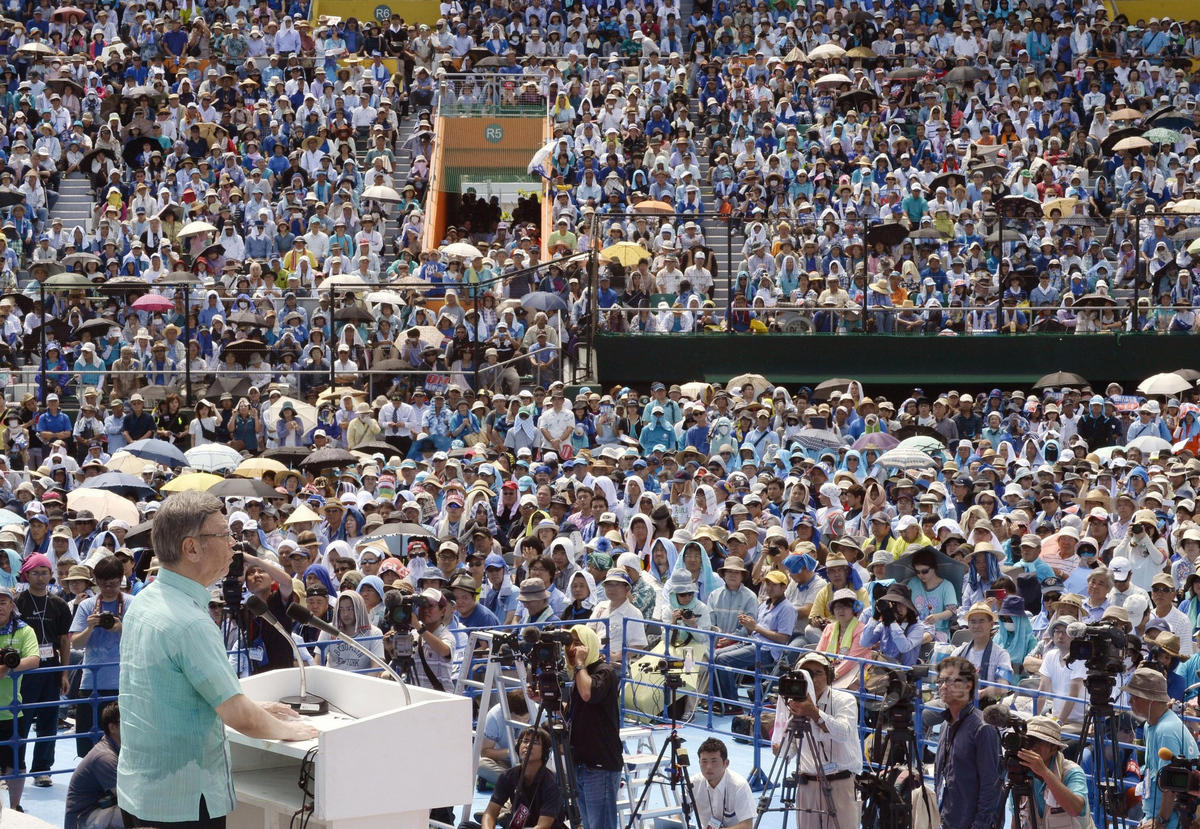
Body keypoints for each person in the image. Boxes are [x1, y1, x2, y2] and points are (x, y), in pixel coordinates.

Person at [117, 491, 318, 827]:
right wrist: (292, 731)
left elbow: (175, 693)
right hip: (183, 803)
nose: (233, 546)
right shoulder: (191, 622)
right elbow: (241, 718)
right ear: (191, 548)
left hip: (143, 792)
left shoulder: (145, 600)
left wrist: (259, 708)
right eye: (225, 535)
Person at [770, 652, 862, 827]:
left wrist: (813, 712)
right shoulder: (793, 704)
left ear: (829, 676)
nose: (811, 678)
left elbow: (843, 733)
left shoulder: (845, 700)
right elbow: (788, 752)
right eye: (806, 673)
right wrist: (779, 746)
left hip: (840, 784)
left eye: (817, 673)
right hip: (807, 786)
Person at [16, 552, 72, 787]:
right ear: (27, 575)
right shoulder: (18, 601)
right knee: (21, 719)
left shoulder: (59, 604)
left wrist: (65, 672)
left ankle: (42, 769)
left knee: (49, 720)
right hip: (24, 669)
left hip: (51, 667)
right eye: (35, 573)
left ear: (51, 575)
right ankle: (14, 767)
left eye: (45, 572)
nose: (40, 578)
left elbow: (64, 640)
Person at [69, 555, 133, 757]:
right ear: (95, 580)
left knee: (124, 745)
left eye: (113, 585)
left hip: (124, 683)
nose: (108, 589)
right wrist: (90, 627)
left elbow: (142, 638)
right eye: (103, 584)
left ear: (121, 579)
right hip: (91, 683)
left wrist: (121, 627)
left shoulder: (132, 603)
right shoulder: (87, 606)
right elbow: (76, 643)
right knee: (88, 746)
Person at [558, 624, 621, 829]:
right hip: (581, 764)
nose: (572, 649)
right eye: (569, 644)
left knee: (600, 826)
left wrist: (579, 664)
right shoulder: (580, 675)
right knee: (588, 825)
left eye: (578, 644)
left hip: (599, 765)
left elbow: (588, 694)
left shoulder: (605, 671)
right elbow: (574, 713)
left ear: (590, 646)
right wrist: (549, 700)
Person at [711, 570, 797, 713]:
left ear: (783, 588)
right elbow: (754, 629)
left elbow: (783, 638)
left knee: (723, 659)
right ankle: (720, 700)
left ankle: (732, 704)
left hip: (767, 650)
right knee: (714, 655)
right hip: (752, 643)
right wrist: (747, 623)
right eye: (768, 584)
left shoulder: (788, 608)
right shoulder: (764, 604)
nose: (769, 587)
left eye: (774, 585)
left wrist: (755, 626)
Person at [933, 656, 1002, 829]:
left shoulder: (983, 728)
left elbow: (991, 786)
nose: (943, 686)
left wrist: (980, 825)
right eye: (940, 681)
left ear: (968, 685)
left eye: (949, 681)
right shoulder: (944, 726)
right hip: (946, 819)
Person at [1127, 666, 1199, 829]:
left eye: (1135, 697)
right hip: (1156, 815)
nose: (1130, 701)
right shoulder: (1150, 725)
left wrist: (1160, 822)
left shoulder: (1165, 731)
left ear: (1150, 700)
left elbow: (1171, 787)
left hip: (1171, 820)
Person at [1002, 715, 1090, 829]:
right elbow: (1015, 821)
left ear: (1054, 748)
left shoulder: (1071, 771)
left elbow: (1075, 809)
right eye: (1028, 740)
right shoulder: (1021, 773)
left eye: (1038, 741)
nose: (1032, 746)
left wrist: (1044, 772)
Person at [0, 585, 41, 812]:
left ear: (11, 605)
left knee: (15, 763)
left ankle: (14, 807)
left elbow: (34, 660)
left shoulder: (24, 630)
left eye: (3, 602)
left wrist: (6, 668)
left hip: (12, 709)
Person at [480, 727, 566, 829]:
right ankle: (506, 817)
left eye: (535, 742)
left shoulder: (552, 783)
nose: (528, 745)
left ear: (544, 751)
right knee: (466, 825)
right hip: (519, 824)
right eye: (525, 741)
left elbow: (543, 826)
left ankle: (506, 817)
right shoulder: (507, 776)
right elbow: (490, 813)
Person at [65, 701, 122, 829]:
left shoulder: (114, 748)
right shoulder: (104, 757)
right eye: (127, 723)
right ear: (112, 728)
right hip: (82, 820)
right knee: (134, 814)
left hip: (97, 812)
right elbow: (127, 798)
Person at [692, 737, 756, 829]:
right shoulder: (693, 784)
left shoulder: (739, 786)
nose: (709, 767)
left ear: (726, 763)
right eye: (704, 761)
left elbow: (747, 826)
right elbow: (678, 815)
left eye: (714, 761)